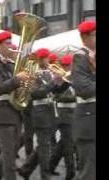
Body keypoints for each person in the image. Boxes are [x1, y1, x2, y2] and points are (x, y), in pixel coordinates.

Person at [0, 31, 29, 180]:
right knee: (10, 160)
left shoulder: (12, 63)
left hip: (16, 113)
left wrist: (28, 83)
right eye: (7, 44)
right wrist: (17, 79)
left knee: (10, 152)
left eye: (11, 43)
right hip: (3, 114)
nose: (12, 46)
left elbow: (20, 88)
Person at [17, 48, 69, 180]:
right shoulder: (33, 74)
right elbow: (36, 93)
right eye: (45, 58)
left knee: (43, 145)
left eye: (47, 57)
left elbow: (56, 91)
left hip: (50, 112)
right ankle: (45, 176)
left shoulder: (49, 72)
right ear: (39, 60)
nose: (48, 60)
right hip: (40, 113)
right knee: (45, 148)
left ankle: (26, 169)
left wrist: (62, 82)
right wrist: (53, 82)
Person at [71, 20, 96, 180]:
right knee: (89, 172)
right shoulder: (80, 57)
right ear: (85, 37)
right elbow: (84, 89)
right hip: (89, 121)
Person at [49, 54, 76, 180]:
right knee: (69, 144)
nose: (67, 67)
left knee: (63, 144)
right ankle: (70, 171)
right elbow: (56, 95)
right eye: (65, 65)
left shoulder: (75, 77)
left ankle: (50, 166)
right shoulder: (59, 78)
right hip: (64, 115)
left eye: (68, 65)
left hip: (74, 114)